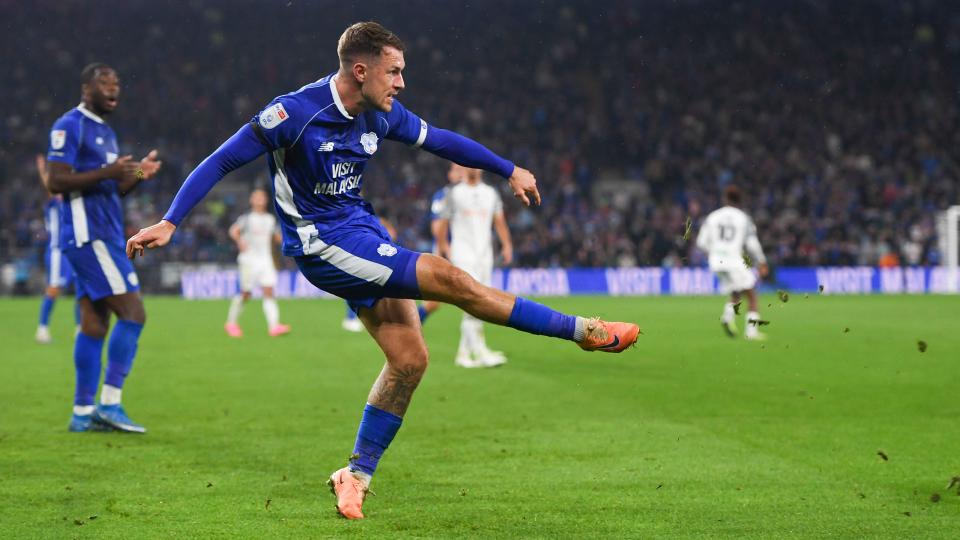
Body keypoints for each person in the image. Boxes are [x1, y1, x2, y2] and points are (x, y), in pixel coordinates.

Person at [126, 22, 639, 519]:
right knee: (452, 279)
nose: (401, 83)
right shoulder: (293, 113)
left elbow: (441, 140)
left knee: (410, 359)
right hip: (320, 244)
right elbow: (219, 160)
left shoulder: (383, 113)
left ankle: (356, 477)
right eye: (393, 72)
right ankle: (582, 331)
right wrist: (171, 221)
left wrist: (507, 169)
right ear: (360, 70)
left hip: (362, 231)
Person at [45, 63, 162, 433]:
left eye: (116, 84)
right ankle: (110, 404)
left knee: (94, 325)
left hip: (102, 234)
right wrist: (108, 172)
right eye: (105, 83)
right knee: (134, 313)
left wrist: (139, 173)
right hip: (89, 236)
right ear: (86, 88)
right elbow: (55, 180)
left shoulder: (106, 133)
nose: (113, 89)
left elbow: (113, 186)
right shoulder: (70, 125)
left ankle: (81, 413)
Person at [435, 167, 511, 367]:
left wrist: (507, 244)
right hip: (463, 254)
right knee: (475, 302)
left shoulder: (490, 193)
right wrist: (443, 245)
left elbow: (499, 221)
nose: (473, 168)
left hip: (485, 255)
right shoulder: (454, 193)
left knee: (480, 301)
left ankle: (463, 354)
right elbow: (442, 221)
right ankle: (480, 351)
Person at [695, 185, 769, 340]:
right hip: (734, 260)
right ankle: (751, 332)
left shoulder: (713, 216)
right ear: (740, 200)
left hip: (716, 261)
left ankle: (728, 317)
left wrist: (715, 251)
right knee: (751, 293)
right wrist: (761, 261)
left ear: (725, 199)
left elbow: (701, 243)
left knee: (736, 291)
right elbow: (752, 244)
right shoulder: (743, 218)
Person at [225, 188, 291, 337]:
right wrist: (240, 241)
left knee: (269, 291)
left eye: (262, 197)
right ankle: (231, 323)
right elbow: (233, 230)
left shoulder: (270, 219)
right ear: (252, 200)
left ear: (266, 200)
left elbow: (277, 237)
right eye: (257, 197)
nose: (260, 199)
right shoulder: (247, 218)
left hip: (265, 259)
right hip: (249, 259)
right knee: (246, 293)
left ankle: (274, 326)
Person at [35, 154, 80, 344]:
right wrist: (43, 171)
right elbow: (50, 186)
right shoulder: (54, 203)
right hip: (57, 251)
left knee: (81, 288)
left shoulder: (71, 201)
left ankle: (80, 329)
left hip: (74, 250)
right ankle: (42, 329)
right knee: (53, 289)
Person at [415, 162, 465, 323]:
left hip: (468, 248)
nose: (460, 173)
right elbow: (437, 228)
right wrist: (446, 249)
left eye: (462, 170)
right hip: (447, 251)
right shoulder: (442, 196)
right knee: (434, 301)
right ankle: (410, 323)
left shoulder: (472, 195)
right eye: (456, 170)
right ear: (450, 174)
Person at [343, 216, 397, 332]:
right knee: (359, 289)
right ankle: (352, 319)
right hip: (366, 260)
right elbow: (392, 235)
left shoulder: (365, 220)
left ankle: (354, 318)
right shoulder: (369, 221)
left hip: (367, 259)